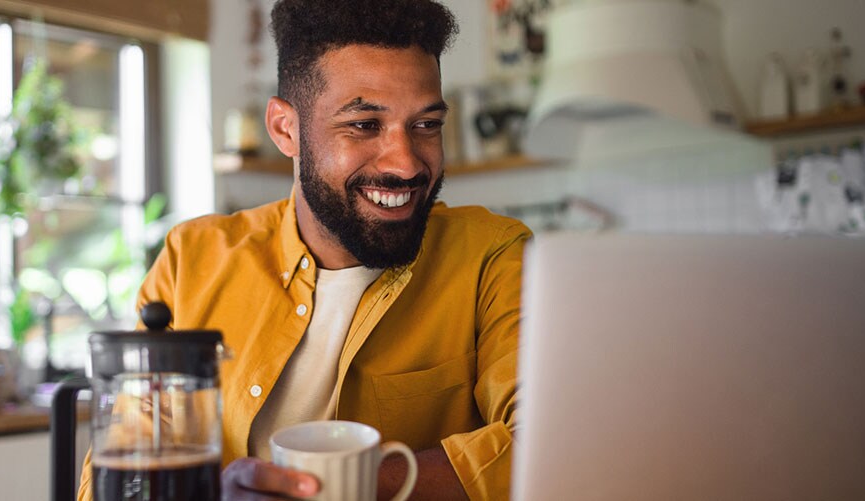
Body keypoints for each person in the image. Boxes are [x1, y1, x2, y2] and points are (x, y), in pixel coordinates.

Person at [79, 0, 530, 499]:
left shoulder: (493, 255)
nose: (406, 164)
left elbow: (549, 439)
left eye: (426, 125)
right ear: (284, 129)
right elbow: (122, 463)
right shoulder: (192, 258)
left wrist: (340, 487)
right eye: (363, 125)